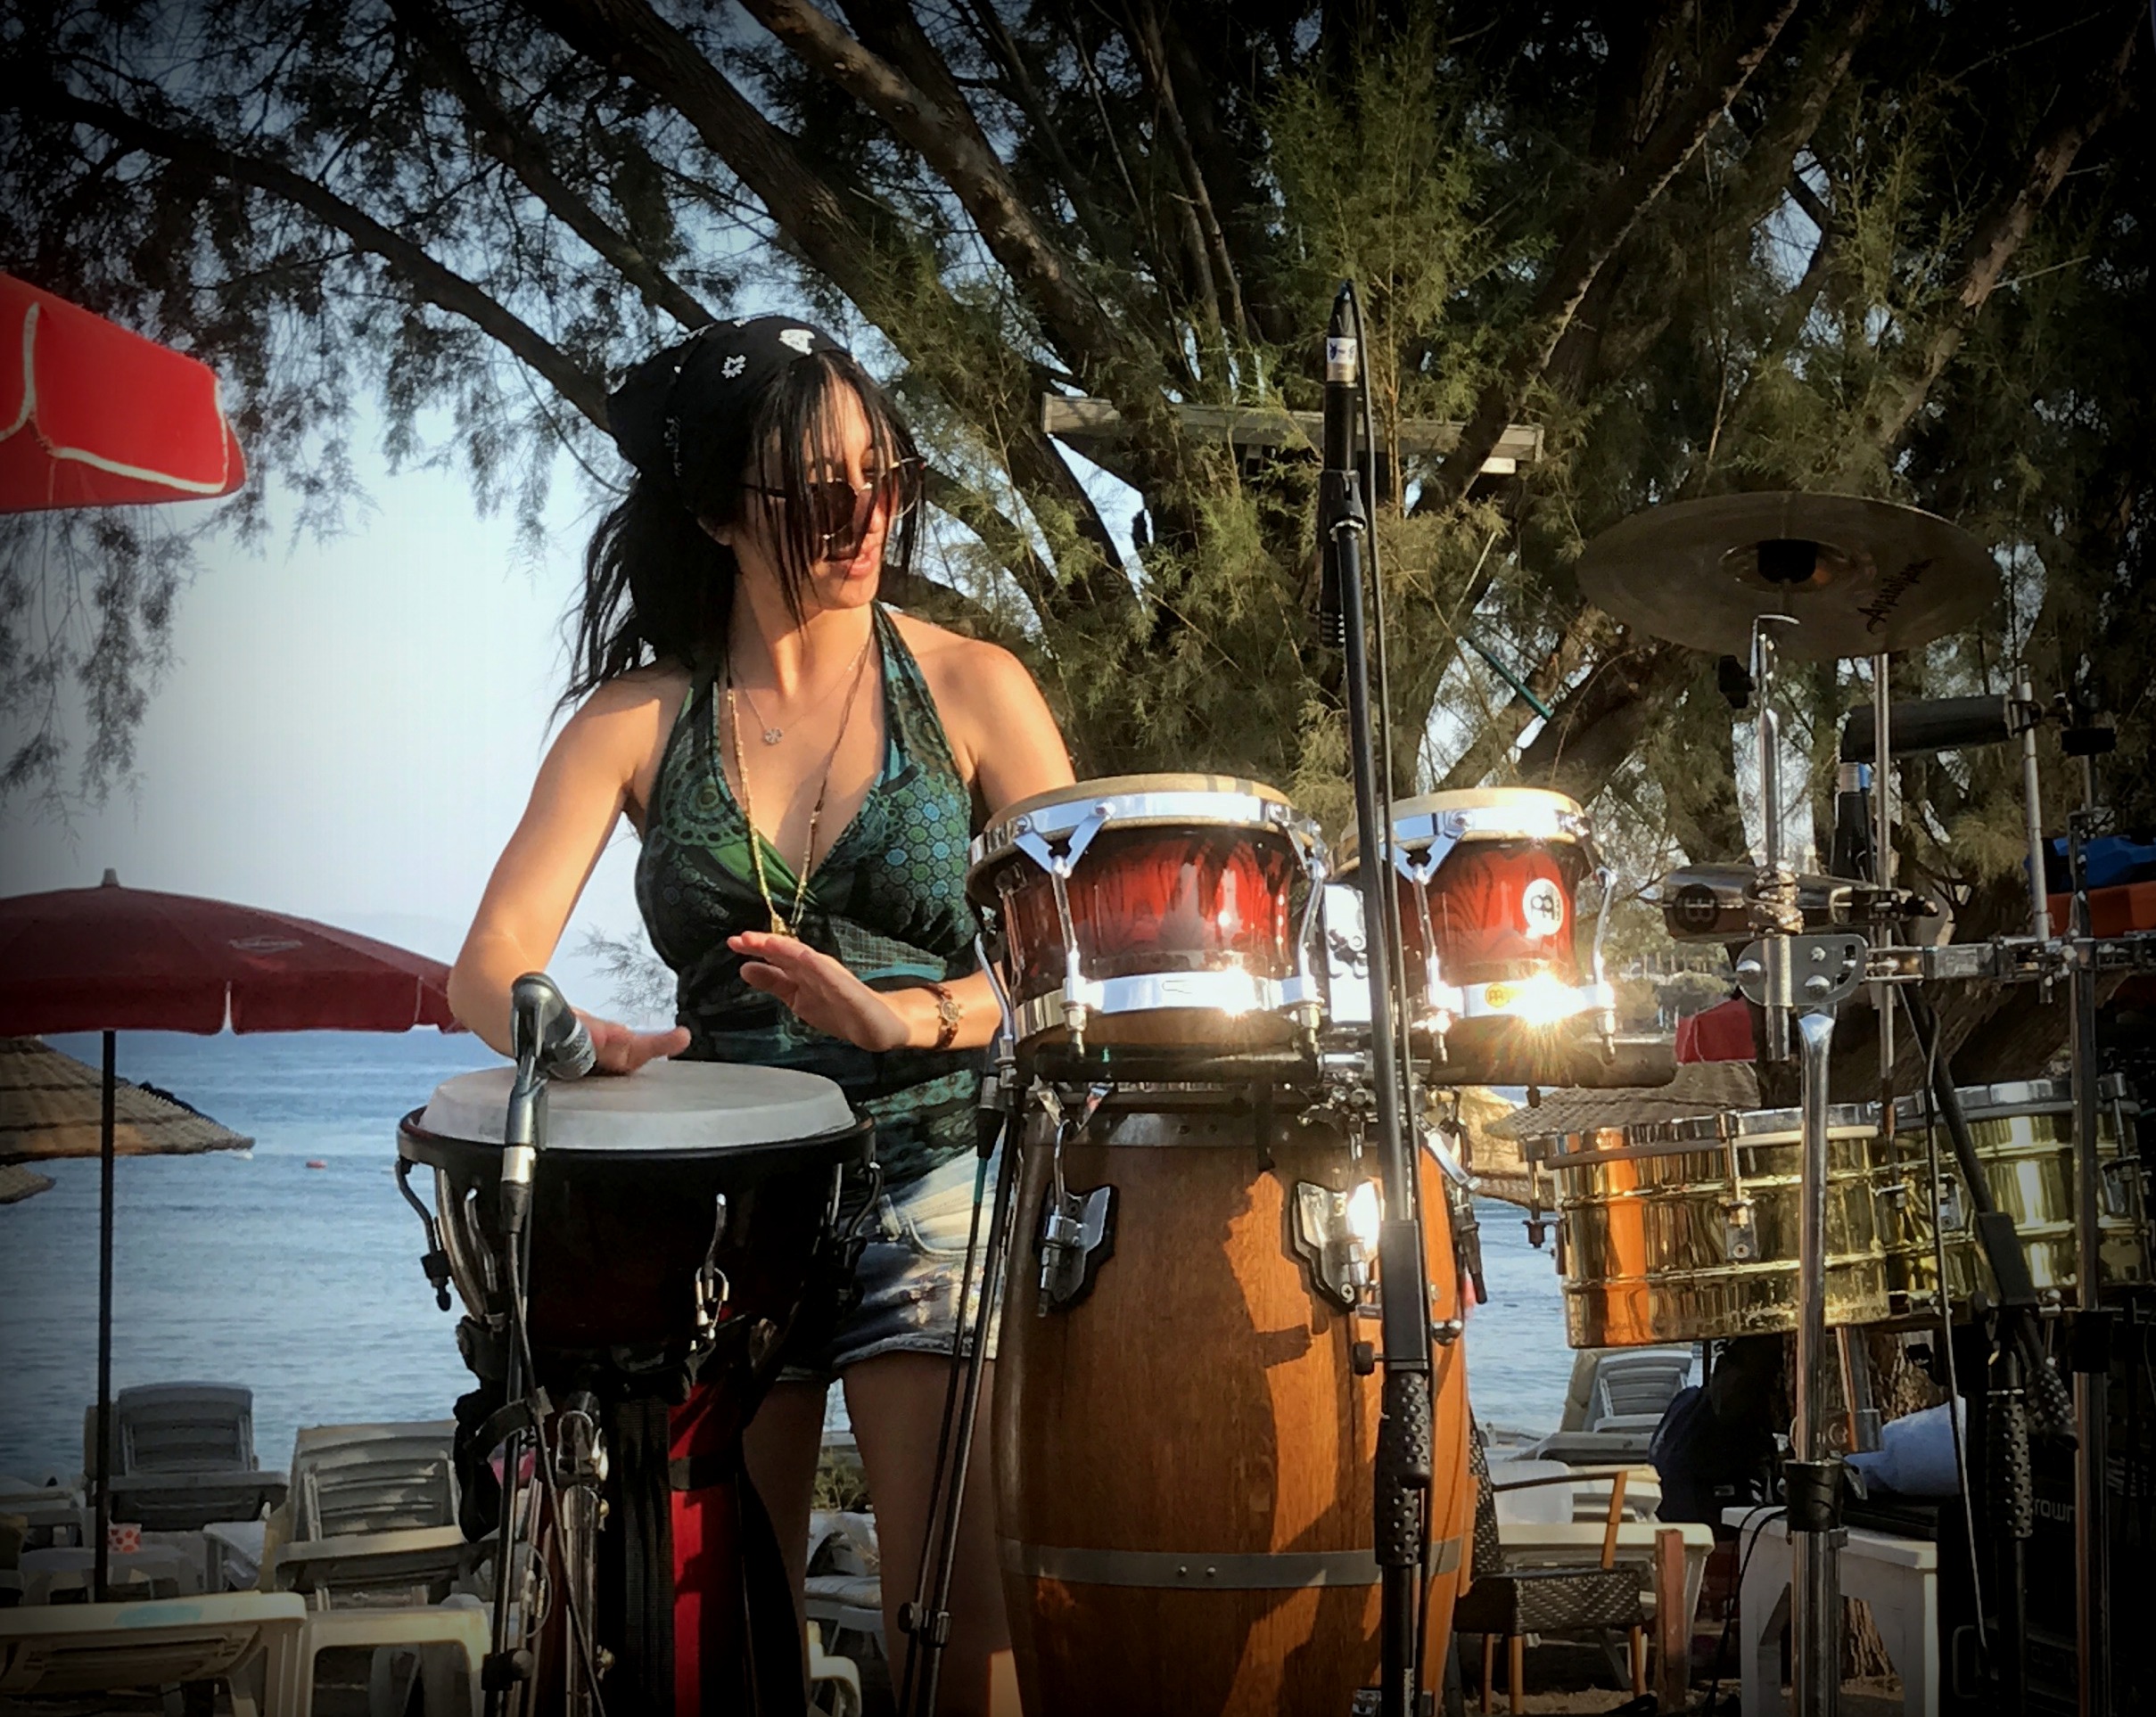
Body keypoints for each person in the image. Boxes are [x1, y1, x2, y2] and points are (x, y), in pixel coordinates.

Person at [447, 314, 1074, 1715]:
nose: (867, 515)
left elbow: (1070, 962)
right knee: (725, 1629)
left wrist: (911, 1019)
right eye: (819, 489)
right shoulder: (636, 718)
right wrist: (563, 1032)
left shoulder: (973, 686)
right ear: (721, 511)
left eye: (882, 476)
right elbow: (486, 961)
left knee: (954, 1627)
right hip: (725, 1208)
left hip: (937, 1171)